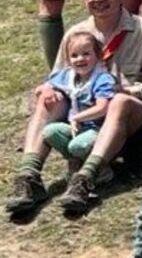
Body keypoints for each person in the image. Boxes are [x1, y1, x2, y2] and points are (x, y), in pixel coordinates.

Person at [8, 0, 142, 218]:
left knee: (119, 101)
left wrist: (129, 89)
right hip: (83, 117)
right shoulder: (75, 34)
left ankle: (85, 179)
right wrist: (48, 87)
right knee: (49, 98)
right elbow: (60, 77)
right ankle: (29, 177)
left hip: (130, 118)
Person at [34, 29, 116, 177]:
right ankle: (75, 162)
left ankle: (101, 169)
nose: (80, 59)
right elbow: (43, 86)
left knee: (77, 145)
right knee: (50, 132)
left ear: (97, 55)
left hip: (96, 129)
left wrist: (77, 118)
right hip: (76, 128)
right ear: (68, 59)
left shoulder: (102, 78)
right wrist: (46, 91)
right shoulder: (68, 76)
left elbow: (102, 108)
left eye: (86, 54)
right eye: (74, 55)